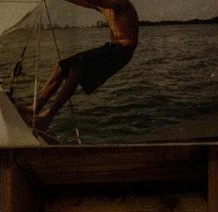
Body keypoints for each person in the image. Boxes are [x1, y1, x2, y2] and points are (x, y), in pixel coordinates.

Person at [23, 0, 139, 130]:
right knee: (62, 66)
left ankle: (47, 117)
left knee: (78, 68)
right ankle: (36, 107)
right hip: (112, 48)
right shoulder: (105, 7)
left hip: (123, 50)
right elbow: (88, 4)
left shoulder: (120, 3)